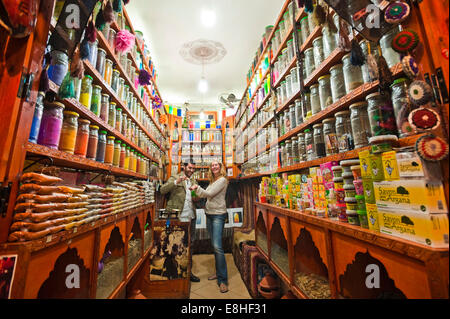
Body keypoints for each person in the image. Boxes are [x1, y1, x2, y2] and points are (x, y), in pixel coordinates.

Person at [189, 161, 229, 293]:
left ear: (221, 167)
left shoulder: (222, 180)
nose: (214, 167)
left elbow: (209, 194)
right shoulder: (213, 181)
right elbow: (207, 195)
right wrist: (199, 192)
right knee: (214, 245)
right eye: (212, 166)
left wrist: (196, 188)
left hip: (218, 215)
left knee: (218, 247)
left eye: (216, 165)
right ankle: (218, 273)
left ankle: (223, 280)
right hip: (210, 214)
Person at [160, 161, 200, 283]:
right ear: (183, 167)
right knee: (174, 244)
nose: (191, 170)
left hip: (190, 216)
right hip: (177, 216)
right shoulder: (175, 177)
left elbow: (195, 199)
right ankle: (173, 273)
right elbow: (162, 190)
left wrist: (196, 193)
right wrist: (176, 182)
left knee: (190, 244)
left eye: (193, 168)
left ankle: (187, 272)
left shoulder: (193, 181)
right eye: (189, 167)